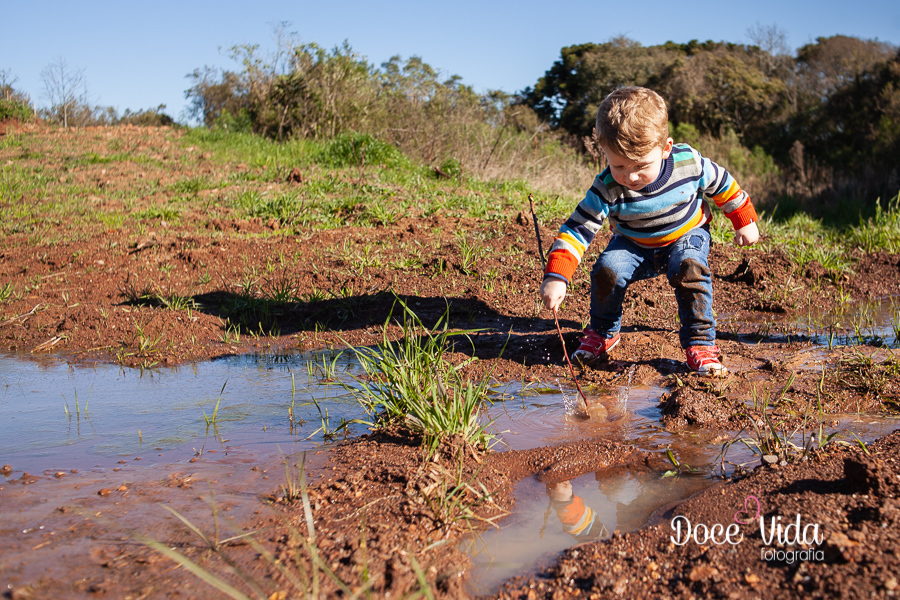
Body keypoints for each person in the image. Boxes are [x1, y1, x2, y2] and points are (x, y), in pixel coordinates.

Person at [539, 86, 759, 376]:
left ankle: (701, 344)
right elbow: (577, 229)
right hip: (633, 243)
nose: (630, 177)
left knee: (689, 266)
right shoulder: (607, 186)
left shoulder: (688, 163)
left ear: (666, 148)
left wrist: (744, 219)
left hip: (686, 234)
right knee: (608, 269)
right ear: (603, 150)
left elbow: (724, 185)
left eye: (640, 166)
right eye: (618, 165)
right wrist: (557, 276)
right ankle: (603, 332)